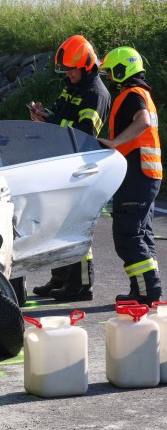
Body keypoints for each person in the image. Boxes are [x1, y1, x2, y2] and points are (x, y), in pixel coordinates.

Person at [28, 35, 111, 301]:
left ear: (86, 66)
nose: (68, 74)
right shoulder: (73, 86)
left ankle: (81, 286)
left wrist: (52, 120)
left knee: (77, 227)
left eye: (71, 70)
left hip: (83, 167)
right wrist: (43, 114)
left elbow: (87, 132)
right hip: (64, 164)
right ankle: (61, 279)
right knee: (59, 226)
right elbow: (59, 110)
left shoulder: (95, 94)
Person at [98, 47, 162, 305]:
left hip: (137, 174)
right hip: (146, 173)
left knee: (128, 234)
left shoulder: (134, 95)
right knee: (141, 233)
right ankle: (143, 290)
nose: (110, 79)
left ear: (123, 69)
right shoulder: (143, 94)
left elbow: (143, 121)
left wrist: (114, 143)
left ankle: (148, 292)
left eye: (111, 73)